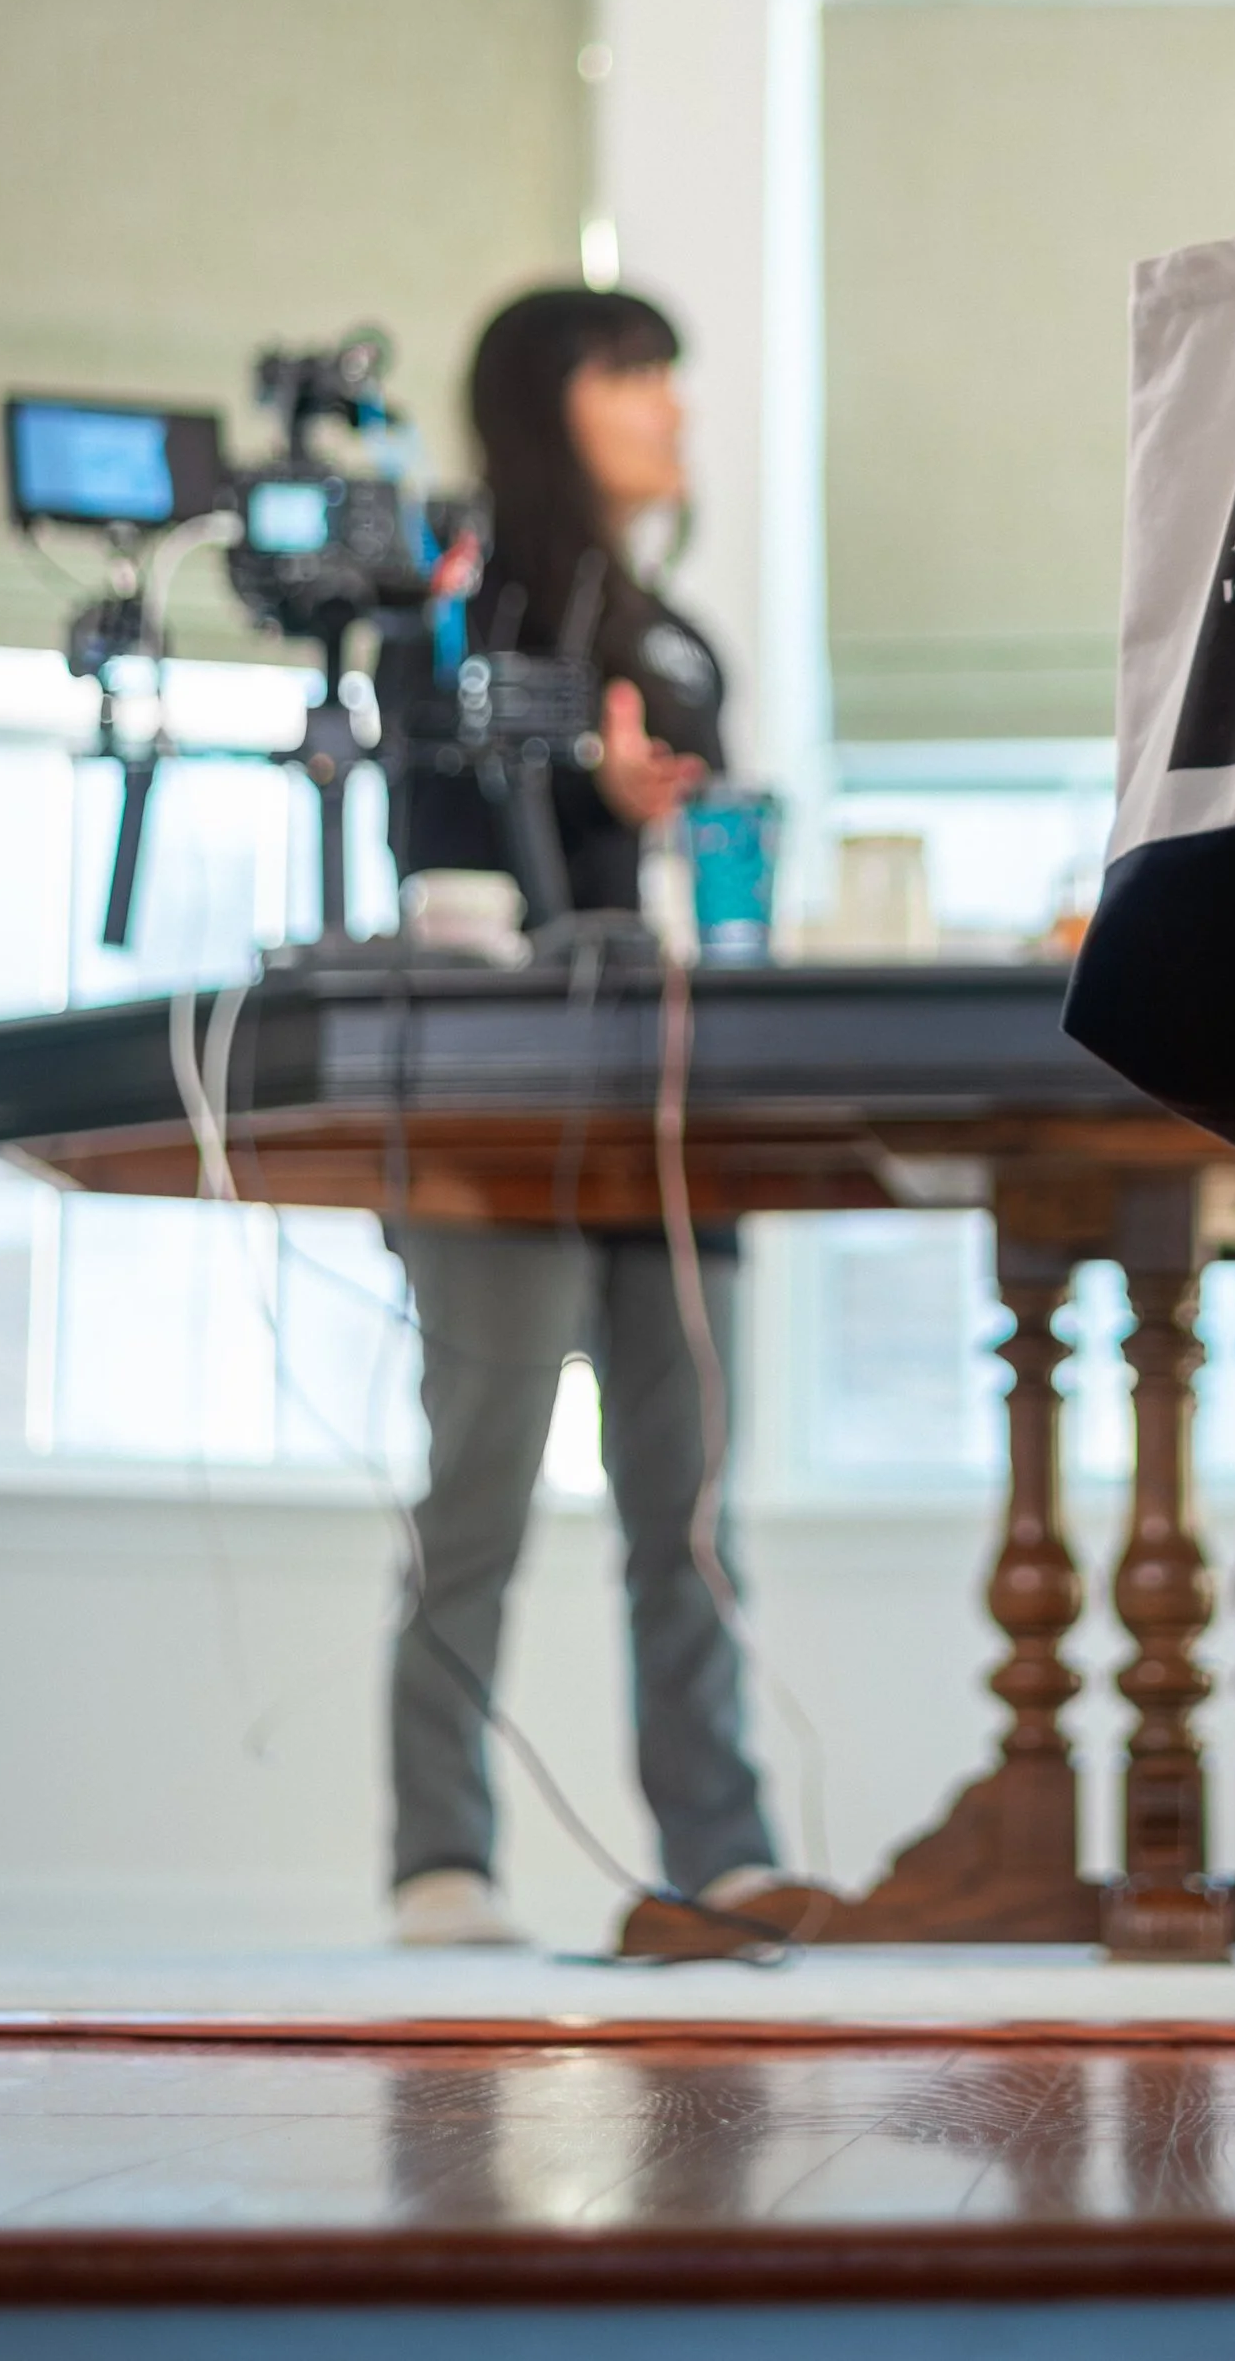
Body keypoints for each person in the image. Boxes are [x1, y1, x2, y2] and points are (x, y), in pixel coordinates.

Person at [377, 282, 793, 1952]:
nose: (672, 410)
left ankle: (724, 1852)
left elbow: (713, 857)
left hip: (674, 1121)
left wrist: (646, 804)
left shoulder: (678, 643)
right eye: (637, 380)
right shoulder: (441, 623)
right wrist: (567, 784)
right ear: (548, 401)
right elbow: (432, 858)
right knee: (476, 1497)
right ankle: (439, 1860)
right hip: (494, 1117)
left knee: (685, 1510)